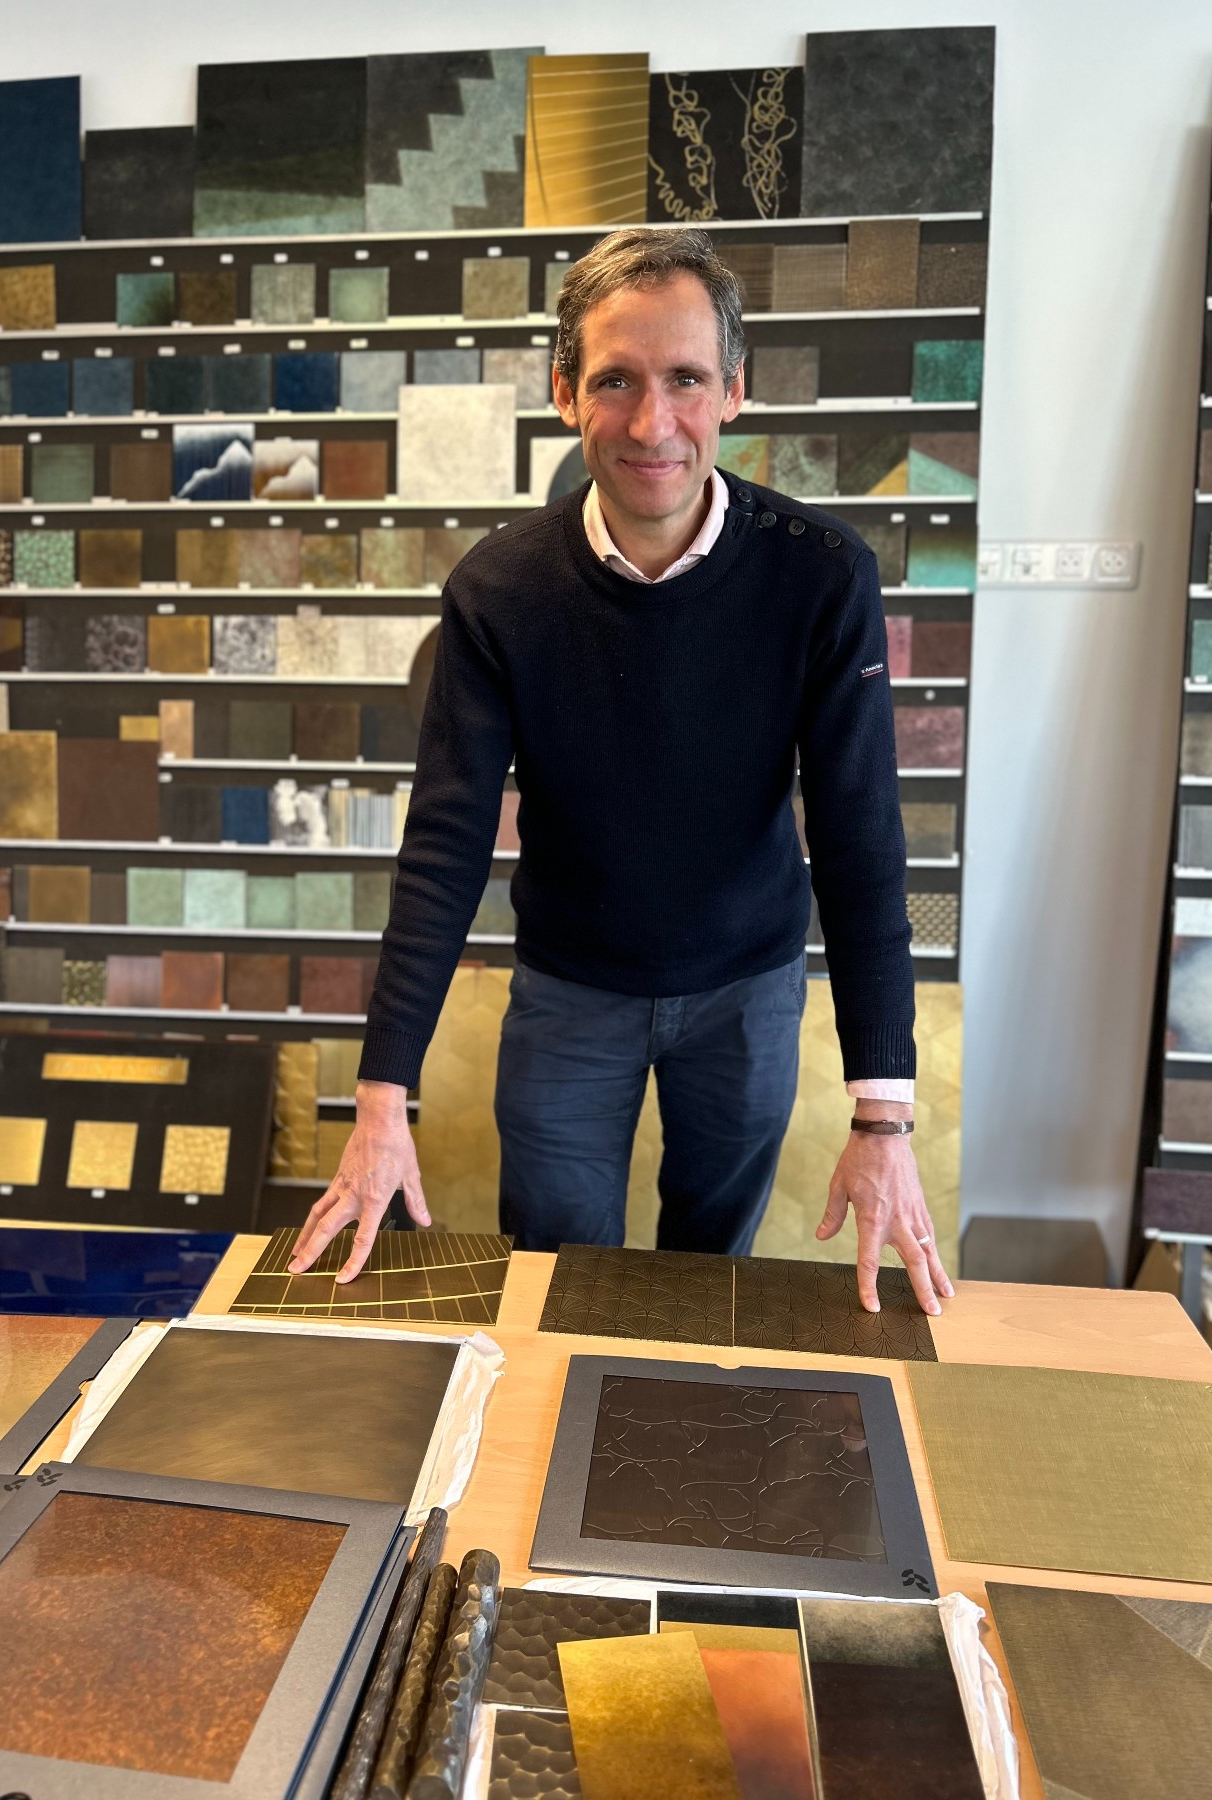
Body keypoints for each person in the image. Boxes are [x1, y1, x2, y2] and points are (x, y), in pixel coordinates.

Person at [290, 226, 953, 1317]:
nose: (655, 424)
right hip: (568, 996)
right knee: (555, 1285)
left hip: (746, 991)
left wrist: (883, 1118)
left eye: (687, 379)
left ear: (734, 391)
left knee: (707, 1283)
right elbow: (447, 841)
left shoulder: (822, 577)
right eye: (617, 382)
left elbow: (859, 843)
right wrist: (380, 1101)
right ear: (565, 392)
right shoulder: (499, 590)